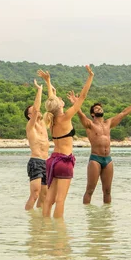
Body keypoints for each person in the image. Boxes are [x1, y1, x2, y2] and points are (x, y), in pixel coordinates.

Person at [67, 90, 131, 204]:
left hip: (108, 159)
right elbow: (80, 114)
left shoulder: (109, 123)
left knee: (107, 191)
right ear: (93, 114)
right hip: (95, 159)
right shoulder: (89, 124)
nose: (99, 109)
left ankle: (107, 217)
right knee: (90, 190)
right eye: (97, 108)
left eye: (100, 108)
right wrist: (76, 103)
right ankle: (87, 217)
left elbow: (124, 113)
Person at [39, 65, 94, 218]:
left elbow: (51, 101)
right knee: (60, 200)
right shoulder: (64, 117)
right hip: (64, 161)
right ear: (60, 106)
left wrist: (48, 82)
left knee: (49, 198)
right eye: (60, 100)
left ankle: (46, 228)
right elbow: (82, 97)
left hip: (52, 160)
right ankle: (59, 235)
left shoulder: (52, 119)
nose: (61, 99)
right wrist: (90, 77)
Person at [23, 78, 49, 210]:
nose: (37, 111)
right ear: (29, 115)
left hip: (47, 162)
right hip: (36, 162)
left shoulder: (43, 124)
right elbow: (37, 107)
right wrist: (39, 90)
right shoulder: (31, 125)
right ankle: (29, 218)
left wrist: (49, 85)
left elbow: (51, 107)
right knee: (35, 194)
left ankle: (39, 220)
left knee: (44, 195)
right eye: (33, 111)